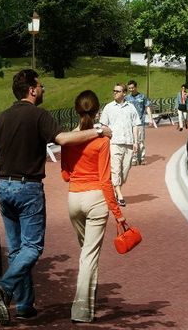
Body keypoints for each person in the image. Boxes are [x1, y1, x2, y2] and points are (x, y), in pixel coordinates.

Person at [0, 69, 111, 325]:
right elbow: (63, 139)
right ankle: (5, 288)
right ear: (31, 89)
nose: (43, 90)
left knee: (17, 249)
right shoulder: (39, 115)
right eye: (40, 86)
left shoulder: (0, 118)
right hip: (28, 188)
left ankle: (24, 305)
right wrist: (99, 132)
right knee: (32, 247)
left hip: (4, 187)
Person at [61, 90, 125, 323]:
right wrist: (118, 214)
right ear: (97, 111)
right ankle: (81, 310)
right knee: (89, 256)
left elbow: (66, 175)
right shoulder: (102, 140)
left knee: (86, 253)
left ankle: (89, 297)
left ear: (76, 111)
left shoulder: (69, 139)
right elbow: (105, 180)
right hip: (96, 198)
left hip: (74, 198)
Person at [99, 83, 140, 207]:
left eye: (118, 91)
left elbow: (136, 125)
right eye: (114, 91)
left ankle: (116, 191)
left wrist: (136, 141)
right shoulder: (108, 107)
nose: (115, 93)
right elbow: (103, 125)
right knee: (115, 170)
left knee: (125, 172)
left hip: (128, 142)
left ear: (124, 93)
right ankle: (119, 195)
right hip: (114, 143)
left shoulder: (131, 107)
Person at [125, 80, 152, 165]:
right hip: (130, 123)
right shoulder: (127, 98)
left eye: (132, 88)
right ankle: (134, 158)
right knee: (132, 140)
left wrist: (150, 118)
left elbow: (147, 107)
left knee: (140, 141)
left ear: (136, 87)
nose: (131, 89)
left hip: (140, 122)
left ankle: (142, 158)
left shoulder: (142, 97)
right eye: (129, 88)